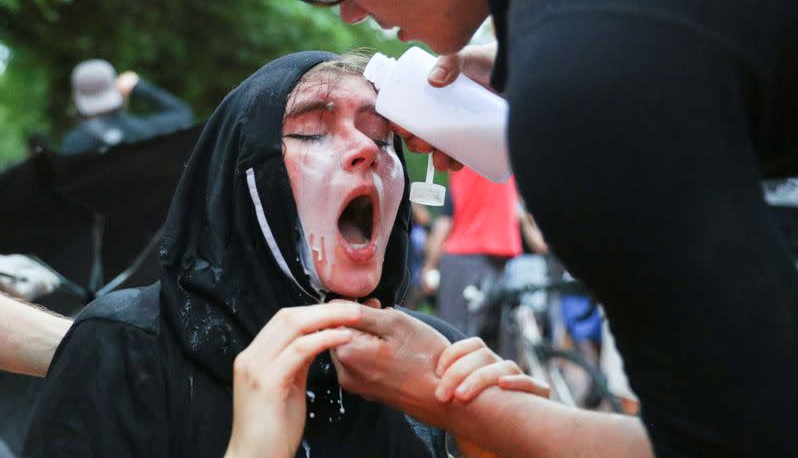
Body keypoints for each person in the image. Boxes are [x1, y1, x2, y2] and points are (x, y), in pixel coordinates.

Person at [275, 0, 798, 455]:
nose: (344, 12)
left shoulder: (590, 75)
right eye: (311, 133)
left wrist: (457, 403)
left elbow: (746, 442)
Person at [24, 52, 542, 458]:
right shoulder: (120, 346)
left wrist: (488, 443)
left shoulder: (436, 357)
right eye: (312, 131)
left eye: (383, 136)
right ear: (246, 177)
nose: (365, 148)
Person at [421, 169, 522, 346]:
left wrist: (429, 266)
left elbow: (446, 221)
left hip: (464, 257)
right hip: (501, 258)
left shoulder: (463, 163)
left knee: (454, 338)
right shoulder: (504, 160)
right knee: (495, 342)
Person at [61, 59, 192, 155]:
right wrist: (138, 87)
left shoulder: (74, 143)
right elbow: (182, 114)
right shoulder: (143, 131)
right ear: (116, 91)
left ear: (76, 98)